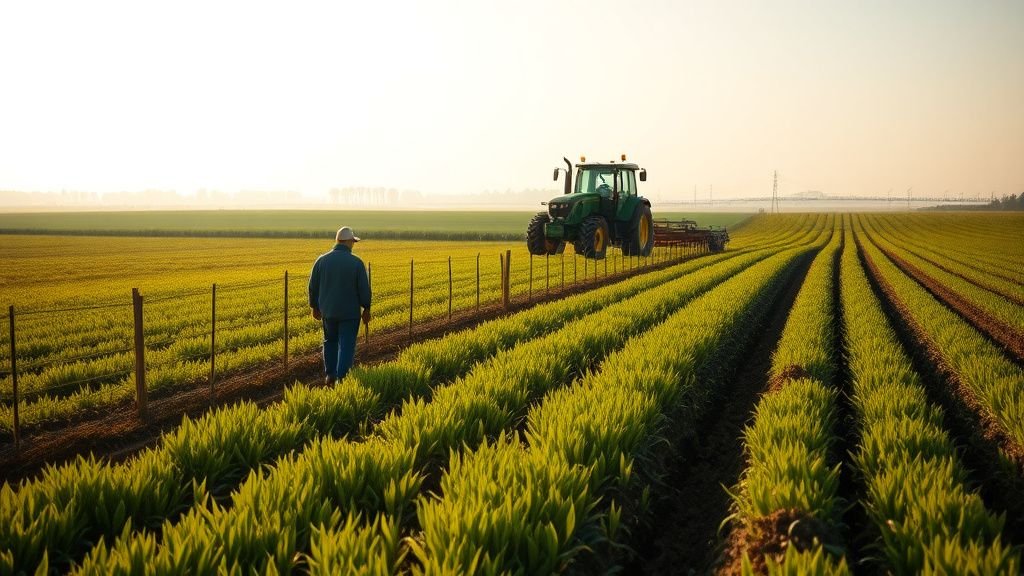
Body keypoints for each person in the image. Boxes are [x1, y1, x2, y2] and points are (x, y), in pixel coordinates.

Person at [308, 226, 371, 384]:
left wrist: (314, 306)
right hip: (349, 313)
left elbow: (313, 286)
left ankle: (330, 375)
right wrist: (367, 308)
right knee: (347, 345)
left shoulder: (321, 261)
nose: (353, 244)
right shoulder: (356, 263)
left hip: (328, 312)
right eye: (353, 242)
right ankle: (342, 377)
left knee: (330, 342)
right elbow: (364, 289)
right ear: (349, 242)